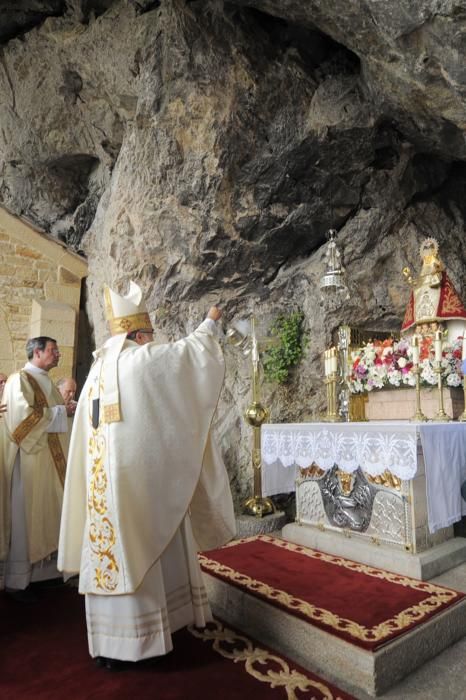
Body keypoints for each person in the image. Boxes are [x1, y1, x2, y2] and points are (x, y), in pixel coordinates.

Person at [58, 281, 236, 669]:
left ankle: (110, 644)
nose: (153, 339)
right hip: (136, 485)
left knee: (112, 550)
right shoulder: (141, 358)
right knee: (145, 540)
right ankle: (144, 641)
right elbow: (187, 359)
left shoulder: (97, 368)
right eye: (150, 334)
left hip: (103, 487)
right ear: (139, 334)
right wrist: (209, 323)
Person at [0, 338, 75, 600]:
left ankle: (46, 575)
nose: (58, 355)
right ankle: (19, 581)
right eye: (53, 351)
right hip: (30, 462)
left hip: (49, 460)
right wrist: (59, 412)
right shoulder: (19, 380)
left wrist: (64, 411)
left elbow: (54, 414)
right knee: (26, 518)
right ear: (37, 352)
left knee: (48, 513)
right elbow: (21, 419)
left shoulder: (46, 381)